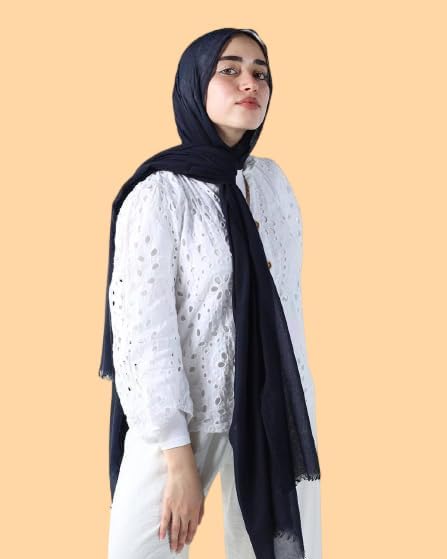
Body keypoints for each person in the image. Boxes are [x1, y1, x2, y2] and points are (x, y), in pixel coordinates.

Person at [99, 28, 321, 559]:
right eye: (230, 69)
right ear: (194, 84)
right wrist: (178, 460)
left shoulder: (270, 183)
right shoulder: (159, 194)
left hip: (269, 412)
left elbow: (287, 311)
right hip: (181, 421)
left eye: (261, 73)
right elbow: (143, 331)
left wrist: (295, 413)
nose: (250, 83)